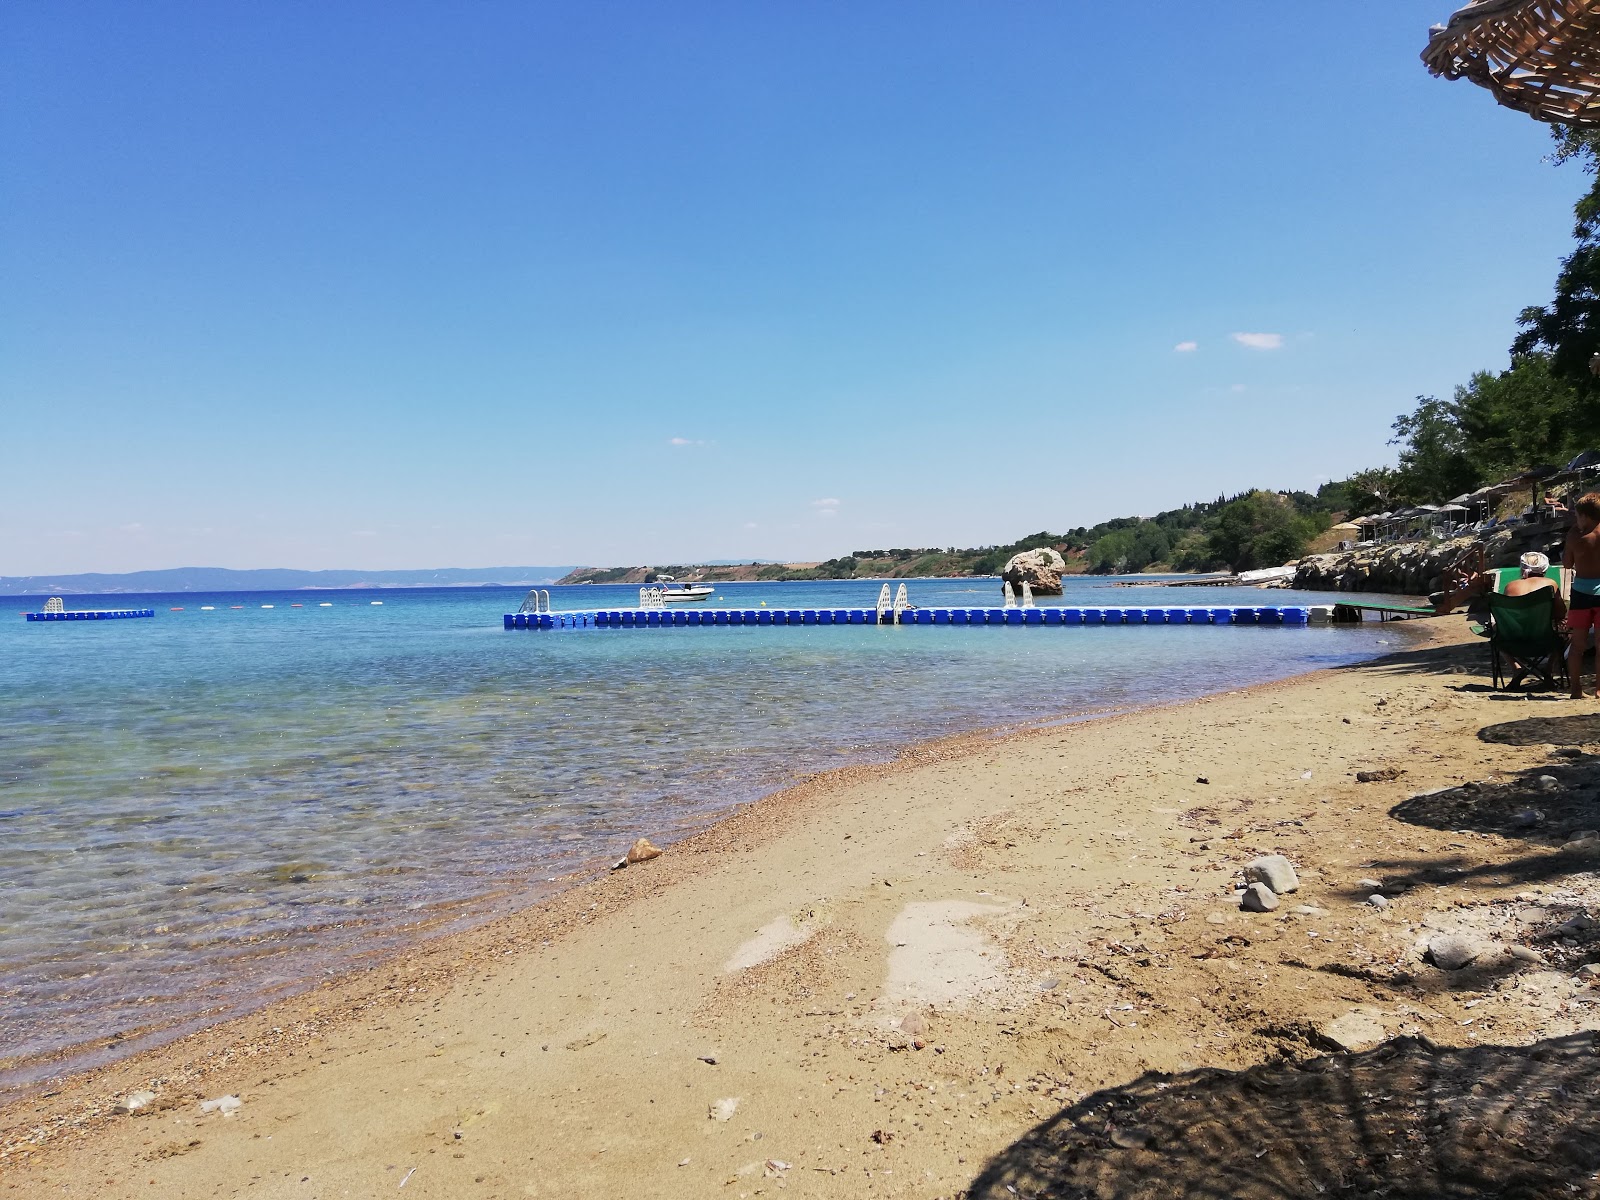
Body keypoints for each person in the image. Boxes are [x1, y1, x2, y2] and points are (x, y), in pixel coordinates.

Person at [1565, 493, 1600, 698]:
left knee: (1577, 646)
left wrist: (1571, 540)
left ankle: (1575, 689)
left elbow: (1568, 565)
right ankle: (1598, 689)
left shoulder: (1574, 536)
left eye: (1577, 516)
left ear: (1585, 517)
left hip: (1580, 595)